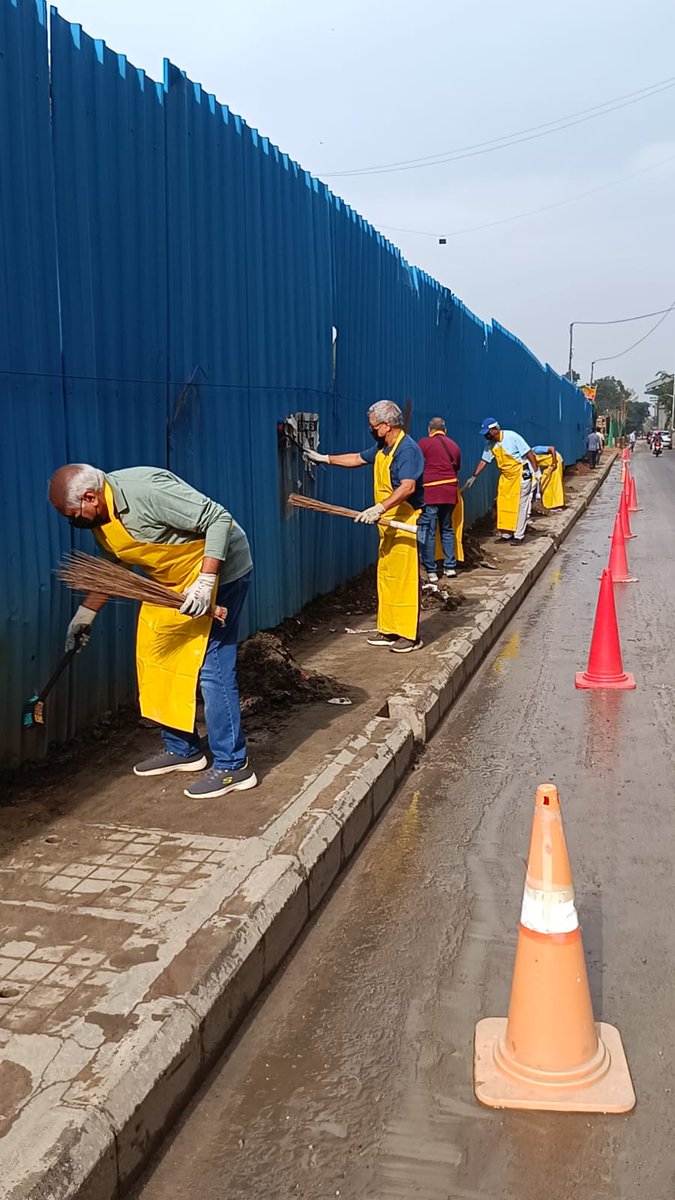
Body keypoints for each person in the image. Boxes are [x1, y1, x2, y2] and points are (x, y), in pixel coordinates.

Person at [48, 464, 256, 799]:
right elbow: (114, 565)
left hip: (218, 573)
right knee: (155, 655)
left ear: (90, 496)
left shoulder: (145, 492)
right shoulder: (102, 516)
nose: (72, 520)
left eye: (73, 513)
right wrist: (85, 614)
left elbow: (217, 518)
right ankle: (183, 749)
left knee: (211, 667)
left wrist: (205, 584)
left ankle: (234, 766)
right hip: (171, 585)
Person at [304, 400, 424, 653]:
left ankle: (409, 635)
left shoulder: (407, 450)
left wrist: (380, 508)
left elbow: (407, 487)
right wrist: (325, 458)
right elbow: (358, 458)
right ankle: (390, 629)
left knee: (403, 579)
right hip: (389, 524)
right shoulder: (383, 447)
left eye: (373, 425)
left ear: (386, 425)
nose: (370, 429)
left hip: (405, 520)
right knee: (387, 577)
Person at [464, 418, 541, 544]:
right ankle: (507, 533)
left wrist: (536, 471)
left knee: (521, 505)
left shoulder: (512, 437)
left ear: (495, 430)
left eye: (488, 433)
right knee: (503, 503)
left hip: (521, 475)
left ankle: (519, 535)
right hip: (506, 477)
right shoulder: (490, 445)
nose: (486, 436)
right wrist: (474, 476)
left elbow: (529, 453)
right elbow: (484, 461)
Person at [417, 417, 463, 583]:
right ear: (445, 430)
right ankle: (450, 567)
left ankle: (431, 570)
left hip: (431, 491)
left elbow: (417, 465)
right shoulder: (454, 445)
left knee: (429, 531)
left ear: (430, 430)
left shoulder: (424, 443)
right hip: (450, 492)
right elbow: (457, 466)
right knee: (447, 528)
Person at [530, 444, 565, 510]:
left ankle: (555, 504)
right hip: (548, 465)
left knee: (554, 484)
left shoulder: (536, 450)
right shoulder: (529, 460)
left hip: (556, 462)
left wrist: (554, 462)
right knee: (545, 484)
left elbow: (552, 448)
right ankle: (548, 504)